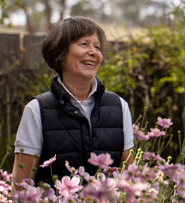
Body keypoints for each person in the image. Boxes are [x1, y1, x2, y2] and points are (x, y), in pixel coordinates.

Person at [12, 17, 133, 186]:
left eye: (97, 47)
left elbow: (129, 178)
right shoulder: (37, 110)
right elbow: (21, 186)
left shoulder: (119, 106)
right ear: (60, 53)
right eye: (84, 44)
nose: (93, 52)